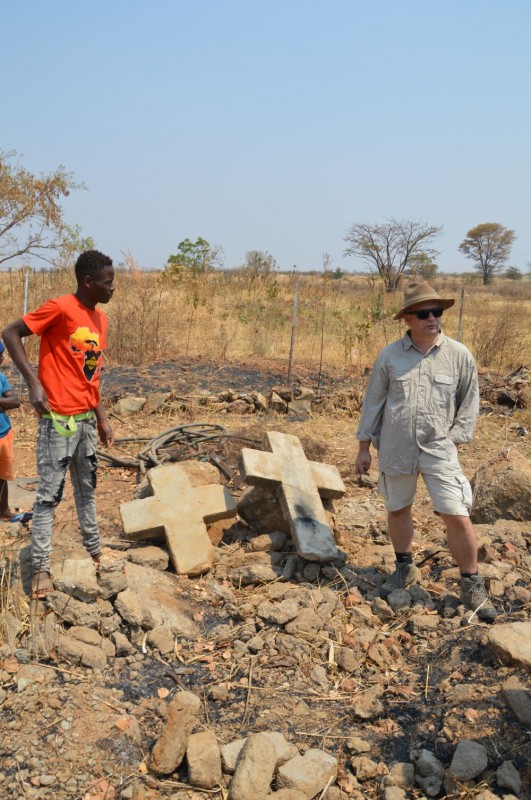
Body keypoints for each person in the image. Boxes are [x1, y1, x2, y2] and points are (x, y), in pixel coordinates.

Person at [355, 280, 497, 622]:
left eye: (437, 312)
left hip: (439, 449)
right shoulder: (389, 356)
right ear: (408, 318)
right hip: (396, 447)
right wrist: (363, 447)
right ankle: (404, 568)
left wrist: (456, 438)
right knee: (398, 508)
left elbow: (469, 400)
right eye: (424, 313)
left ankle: (471, 583)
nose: (432, 318)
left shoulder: (458, 354)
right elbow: (373, 401)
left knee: (456, 513)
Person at [3, 250, 115, 600]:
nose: (113, 288)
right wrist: (33, 383)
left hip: (84, 420)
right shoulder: (60, 308)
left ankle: (96, 551)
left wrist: (101, 418)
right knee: (49, 495)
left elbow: (91, 376)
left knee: (87, 489)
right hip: (58, 421)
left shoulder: (100, 321)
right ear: (88, 282)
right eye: (108, 282)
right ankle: (40, 569)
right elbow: (10, 333)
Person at [0, 341, 32, 523]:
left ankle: (3, 512)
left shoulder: (1, 379)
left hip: (3, 433)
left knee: (2, 476)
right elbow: (8, 401)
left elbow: (15, 401)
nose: (2, 359)